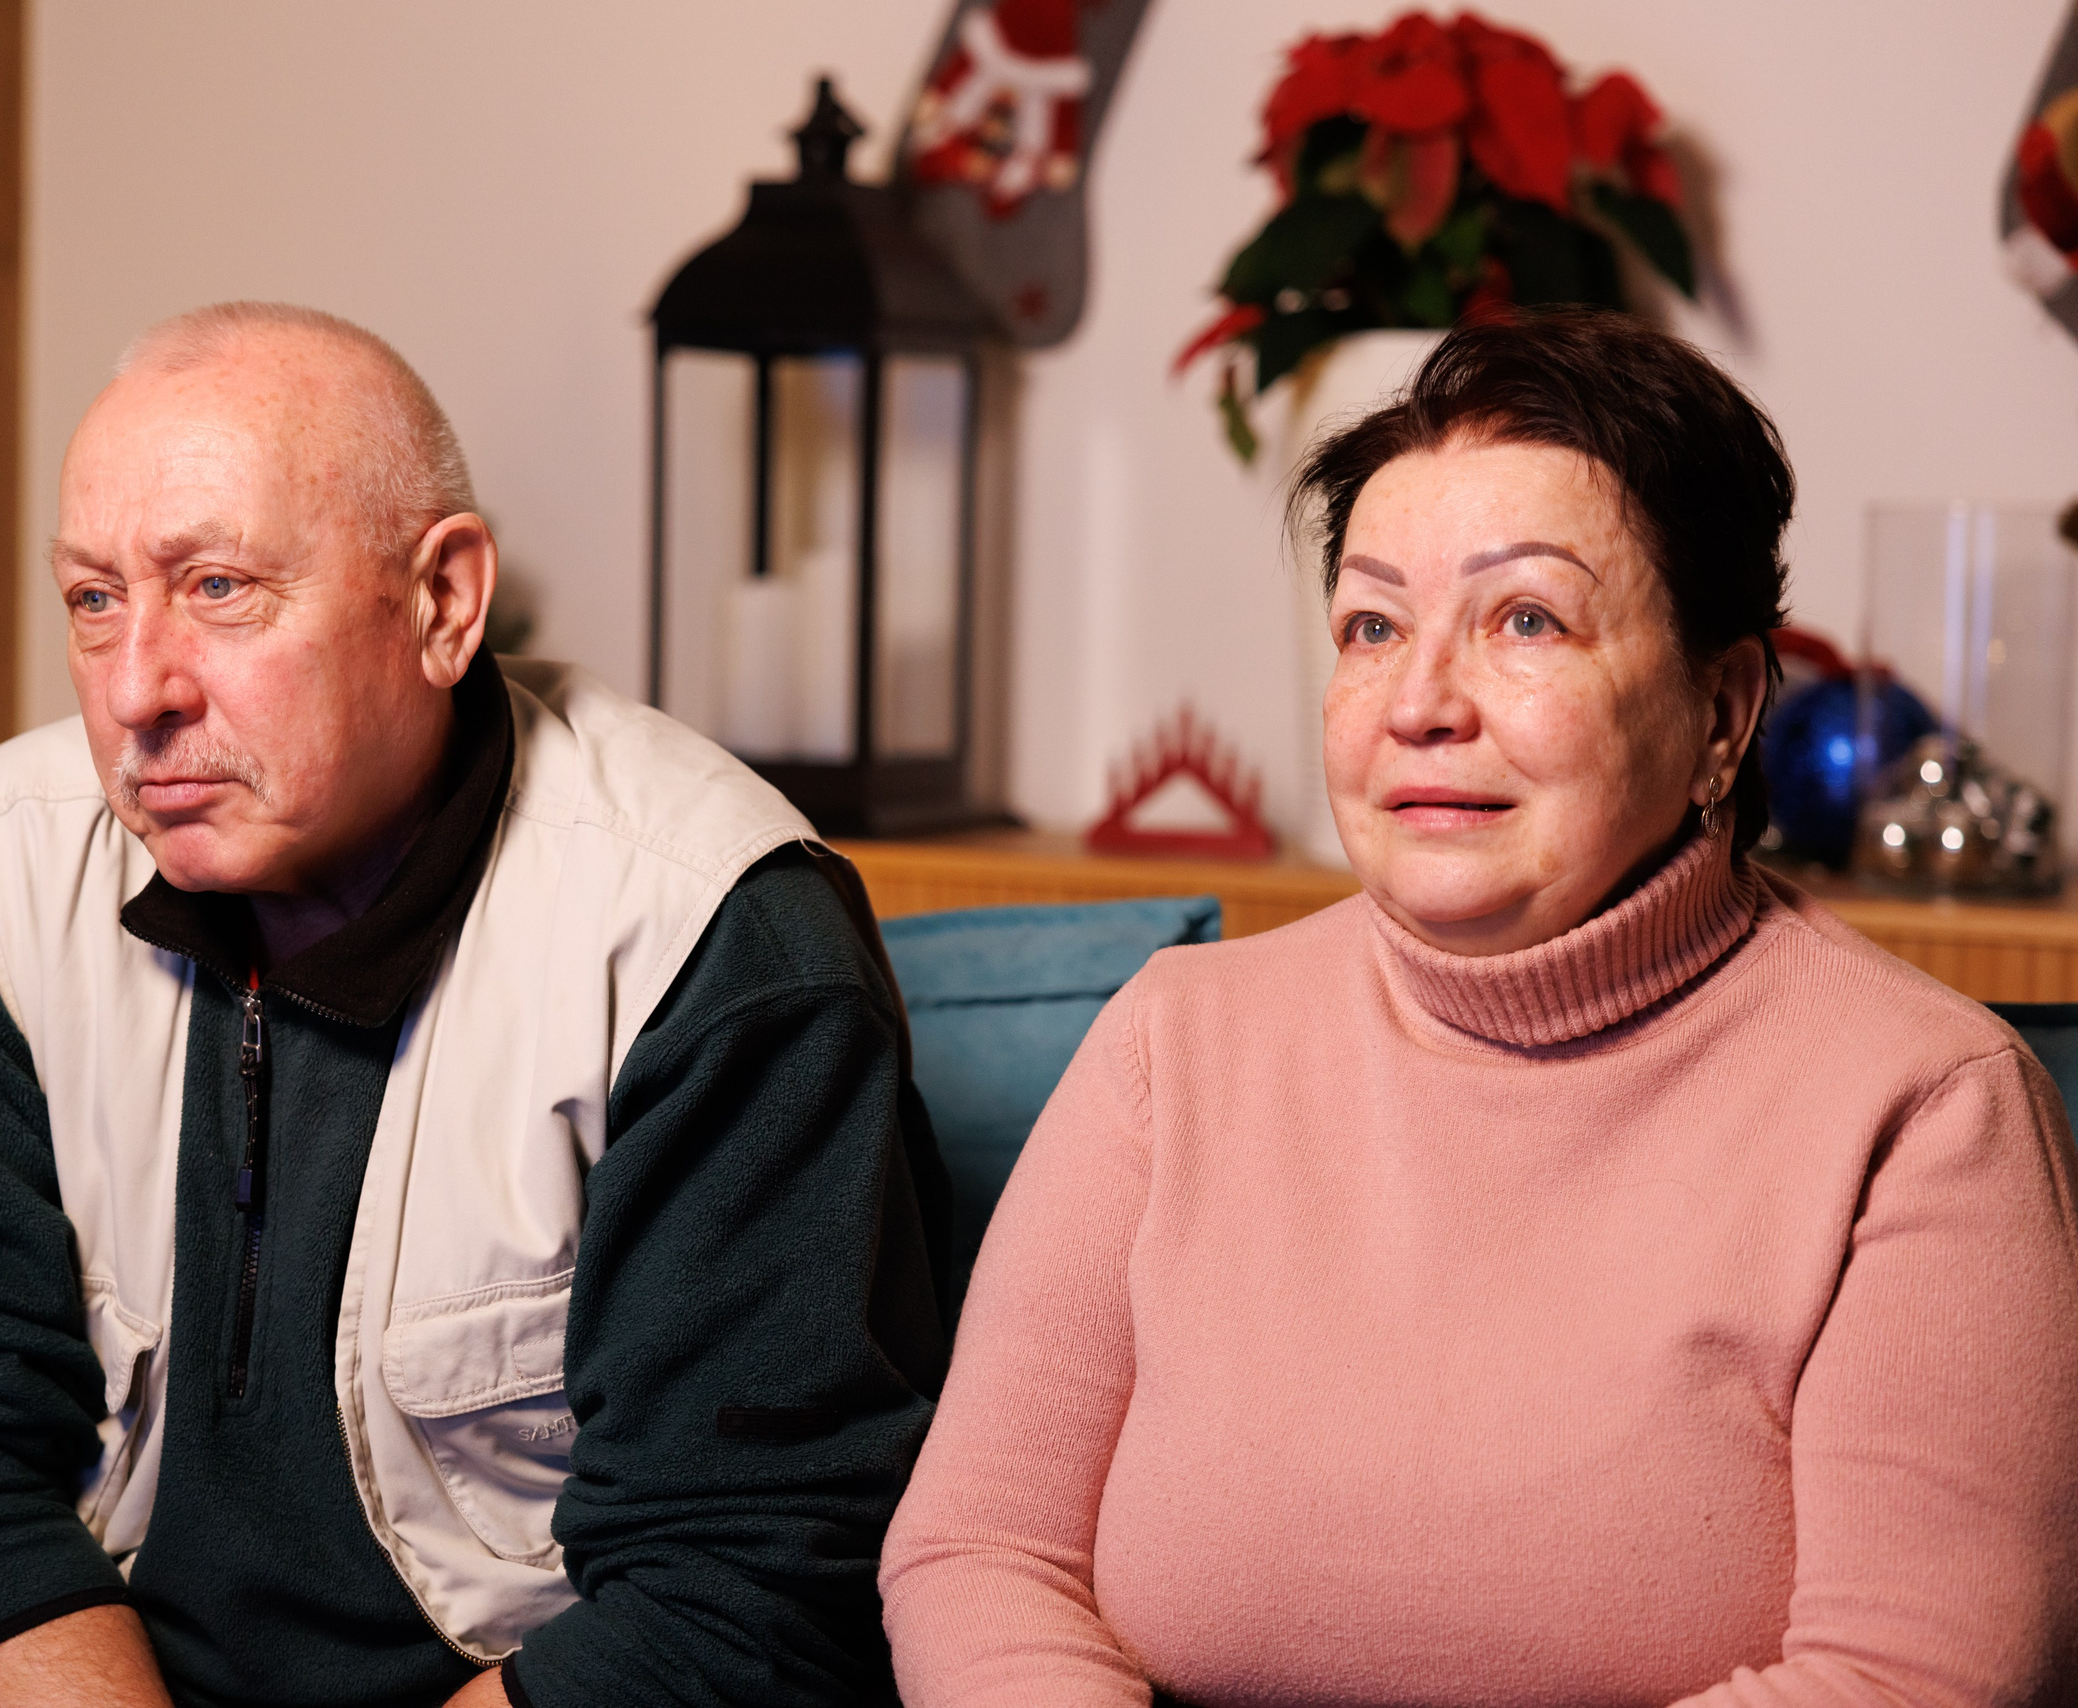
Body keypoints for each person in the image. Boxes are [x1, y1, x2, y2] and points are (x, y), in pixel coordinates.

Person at [0, 302, 949, 1708]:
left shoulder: (710, 932)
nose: (136, 692)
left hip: (504, 1683)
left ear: (443, 603)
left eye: (218, 587)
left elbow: (736, 1590)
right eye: (95, 600)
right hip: (114, 1667)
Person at [879, 311, 2078, 1705]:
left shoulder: (1927, 1106)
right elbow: (981, 1553)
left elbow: (1911, 1677)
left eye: (1527, 621)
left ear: (1723, 711)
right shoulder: (1174, 1040)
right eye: (1373, 626)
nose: (1420, 704)